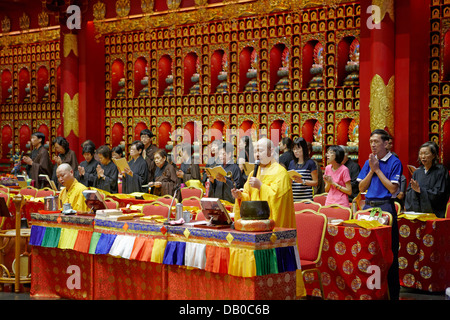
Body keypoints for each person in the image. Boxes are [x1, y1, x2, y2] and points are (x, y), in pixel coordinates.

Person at [357, 128, 403, 300]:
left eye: (376, 142)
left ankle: (392, 294)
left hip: (385, 208)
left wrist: (377, 170)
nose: (373, 145)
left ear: (386, 143)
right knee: (369, 252)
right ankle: (372, 291)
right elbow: (361, 188)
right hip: (369, 208)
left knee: (388, 253)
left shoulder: (394, 161)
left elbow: (393, 188)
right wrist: (371, 169)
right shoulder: (370, 161)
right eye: (371, 142)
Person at [232, 138, 295, 228]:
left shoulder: (280, 172)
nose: (257, 155)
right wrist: (240, 196)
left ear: (271, 152)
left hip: (272, 227)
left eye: (260, 151)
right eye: (255, 152)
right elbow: (248, 195)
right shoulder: (253, 173)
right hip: (255, 223)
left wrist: (261, 186)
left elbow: (278, 200)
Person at [405, 141, 450, 218]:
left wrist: (420, 191)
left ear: (434, 155)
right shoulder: (417, 172)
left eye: (426, 153)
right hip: (417, 213)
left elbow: (440, 193)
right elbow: (409, 191)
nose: (422, 156)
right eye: (420, 154)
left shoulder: (441, 171)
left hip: (435, 213)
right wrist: (414, 191)